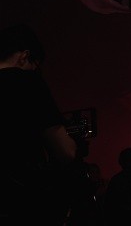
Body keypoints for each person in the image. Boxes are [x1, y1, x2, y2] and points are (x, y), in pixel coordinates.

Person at [0, 24, 78, 224]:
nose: (35, 70)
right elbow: (65, 151)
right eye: (35, 65)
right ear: (24, 56)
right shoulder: (28, 83)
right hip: (21, 202)